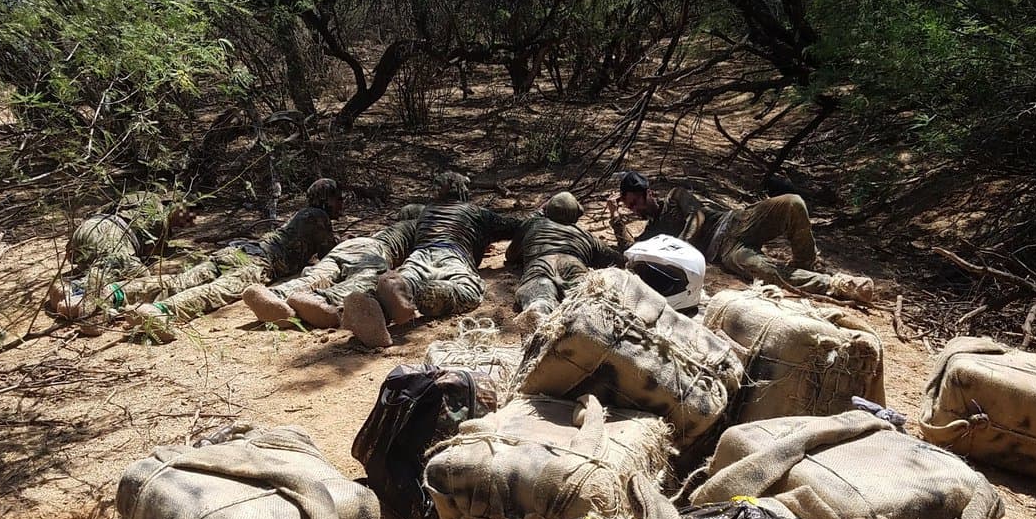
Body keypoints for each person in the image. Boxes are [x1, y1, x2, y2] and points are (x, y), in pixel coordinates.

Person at [121, 178, 341, 342]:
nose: (341, 204)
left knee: (180, 281)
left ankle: (118, 293)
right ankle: (162, 311)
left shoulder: (303, 215)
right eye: (338, 199)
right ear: (326, 199)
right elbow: (331, 256)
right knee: (215, 291)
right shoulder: (318, 216)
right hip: (259, 261)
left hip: (238, 250)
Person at [607, 171, 873, 302]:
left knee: (793, 203)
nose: (635, 209)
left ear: (648, 192)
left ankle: (806, 263)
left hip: (737, 220)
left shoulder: (676, 196)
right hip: (724, 250)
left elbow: (697, 216)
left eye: (635, 202)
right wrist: (615, 217)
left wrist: (681, 246)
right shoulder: (653, 232)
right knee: (763, 270)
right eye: (629, 207)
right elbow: (630, 250)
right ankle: (837, 285)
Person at [341, 172, 523, 347]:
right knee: (469, 292)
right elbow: (514, 227)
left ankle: (376, 302)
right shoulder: (477, 213)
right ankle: (427, 294)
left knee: (404, 285)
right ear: (462, 191)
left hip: (420, 255)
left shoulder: (426, 212)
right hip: (453, 255)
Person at [242, 205, 420, 329]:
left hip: (347, 246)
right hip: (374, 249)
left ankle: (276, 294)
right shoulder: (418, 227)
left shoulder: (388, 230)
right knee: (364, 279)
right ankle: (322, 300)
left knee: (318, 276)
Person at [48, 190, 193, 321]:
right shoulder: (160, 217)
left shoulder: (143, 195)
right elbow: (153, 253)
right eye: (185, 213)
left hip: (85, 230)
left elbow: (102, 210)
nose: (186, 220)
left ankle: (80, 282)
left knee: (105, 265)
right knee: (141, 273)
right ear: (174, 205)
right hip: (109, 234)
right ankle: (75, 290)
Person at [505, 191, 622, 327]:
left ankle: (540, 309)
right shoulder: (587, 236)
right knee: (587, 300)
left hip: (540, 266)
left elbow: (510, 255)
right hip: (574, 266)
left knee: (539, 298)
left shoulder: (532, 224)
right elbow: (617, 260)